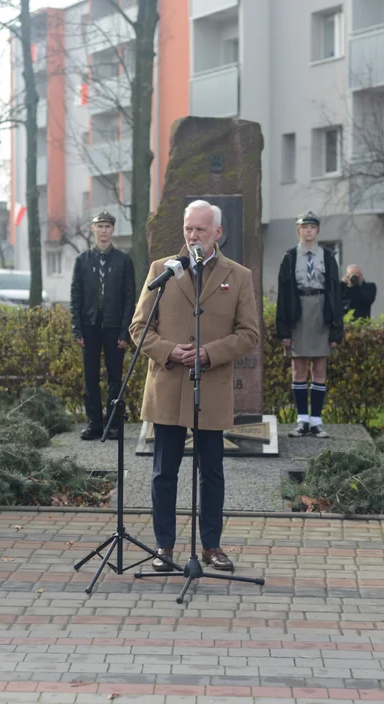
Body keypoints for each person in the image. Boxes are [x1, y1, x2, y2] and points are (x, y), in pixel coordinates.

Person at [131, 199, 260, 573]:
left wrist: (209, 353)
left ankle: (212, 546)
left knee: (212, 472)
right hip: (168, 385)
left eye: (200, 229)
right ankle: (164, 547)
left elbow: (249, 333)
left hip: (212, 387)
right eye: (188, 228)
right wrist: (170, 350)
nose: (193, 236)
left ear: (218, 233)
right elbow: (139, 329)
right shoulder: (162, 270)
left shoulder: (238, 276)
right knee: (163, 472)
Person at [275, 211, 343, 439]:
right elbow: (283, 295)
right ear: (299, 230)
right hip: (299, 311)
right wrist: (283, 329)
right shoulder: (290, 257)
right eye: (305, 227)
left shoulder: (328, 256)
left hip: (321, 311)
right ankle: (302, 420)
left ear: (318, 231)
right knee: (299, 369)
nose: (309, 231)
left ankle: (316, 421)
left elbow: (336, 293)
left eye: (312, 227)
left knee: (320, 368)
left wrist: (336, 329)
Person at [71, 210, 136, 440]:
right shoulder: (82, 261)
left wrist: (125, 331)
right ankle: (94, 425)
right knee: (90, 378)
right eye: (100, 226)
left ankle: (113, 425)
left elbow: (130, 299)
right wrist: (76, 328)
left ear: (113, 230)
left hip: (113, 327)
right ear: (93, 229)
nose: (103, 231)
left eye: (107, 226)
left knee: (115, 378)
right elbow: (75, 296)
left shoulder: (123, 261)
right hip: (89, 326)